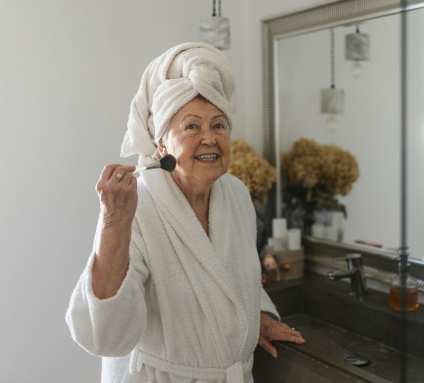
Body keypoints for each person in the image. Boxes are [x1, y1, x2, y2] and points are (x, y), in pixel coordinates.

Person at [65, 42, 304, 383]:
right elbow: (105, 336)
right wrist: (114, 224)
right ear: (161, 145)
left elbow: (234, 277)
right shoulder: (137, 207)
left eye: (219, 125)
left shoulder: (236, 194)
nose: (209, 138)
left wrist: (257, 315)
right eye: (192, 127)